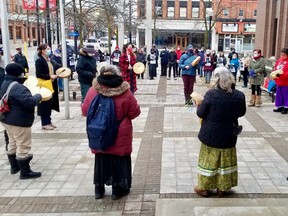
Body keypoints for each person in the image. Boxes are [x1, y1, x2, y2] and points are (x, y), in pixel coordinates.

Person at [81, 65, 141, 200]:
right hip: (120, 133)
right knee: (119, 160)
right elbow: (135, 112)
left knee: (101, 159)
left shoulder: (93, 90)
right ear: (117, 75)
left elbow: (85, 111)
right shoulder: (125, 91)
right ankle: (117, 190)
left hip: (100, 133)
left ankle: (99, 190)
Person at [194, 67, 246, 197]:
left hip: (210, 135)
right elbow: (241, 112)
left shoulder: (211, 94)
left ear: (216, 80)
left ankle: (204, 188)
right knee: (225, 162)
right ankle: (222, 188)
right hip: (229, 135)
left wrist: (199, 105)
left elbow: (200, 113)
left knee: (209, 162)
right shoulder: (240, 95)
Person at [0, 63, 42, 179]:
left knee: (13, 142)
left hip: (6, 119)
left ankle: (15, 167)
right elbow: (30, 102)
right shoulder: (18, 87)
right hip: (19, 121)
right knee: (23, 145)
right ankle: (25, 172)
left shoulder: (5, 82)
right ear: (19, 73)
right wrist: (38, 96)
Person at [35, 44, 59, 130]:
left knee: (49, 104)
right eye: (47, 49)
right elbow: (38, 74)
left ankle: (48, 121)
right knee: (44, 104)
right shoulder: (39, 61)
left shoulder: (48, 60)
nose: (49, 50)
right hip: (43, 85)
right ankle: (44, 123)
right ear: (42, 50)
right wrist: (50, 76)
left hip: (49, 84)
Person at [272, 48, 288, 114]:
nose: (282, 56)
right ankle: (280, 106)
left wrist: (281, 75)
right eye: (281, 54)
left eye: (284, 55)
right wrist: (274, 74)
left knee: (286, 95)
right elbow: (275, 68)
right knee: (279, 95)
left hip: (286, 82)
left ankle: (286, 107)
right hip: (279, 81)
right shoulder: (279, 60)